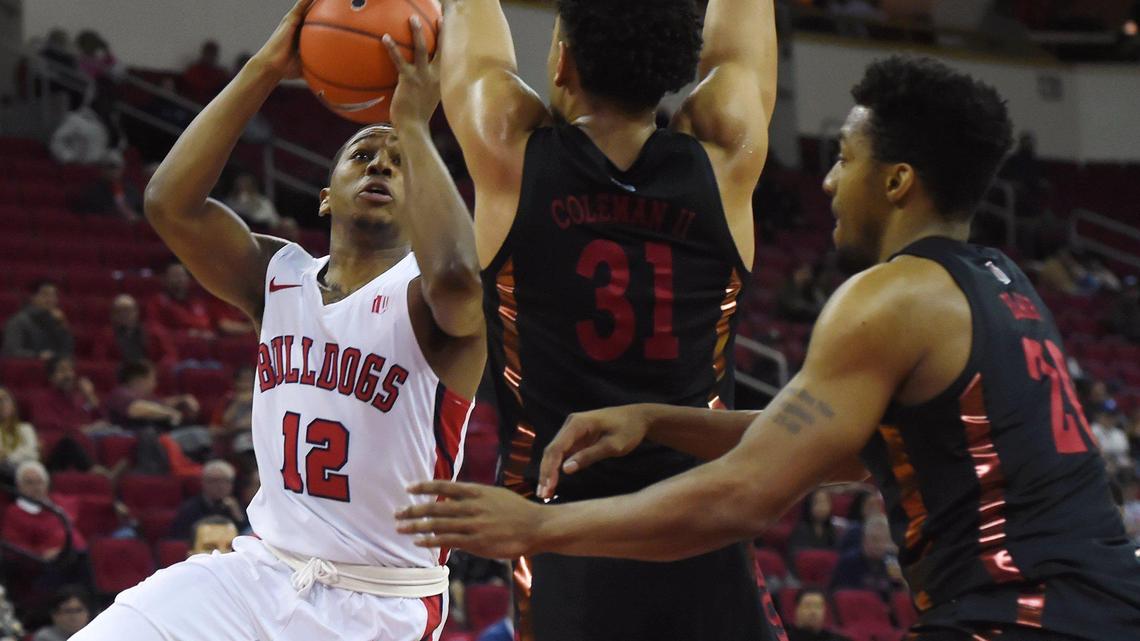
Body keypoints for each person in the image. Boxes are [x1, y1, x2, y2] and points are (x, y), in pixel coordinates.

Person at [398, 56, 1140, 640]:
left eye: (844, 158)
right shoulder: (1004, 282)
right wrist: (656, 418)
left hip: (1019, 618)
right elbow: (845, 449)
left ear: (898, 181)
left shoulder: (889, 298)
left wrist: (539, 526)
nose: (826, 179)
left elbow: (743, 496)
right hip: (1099, 603)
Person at [72, 3, 484, 641]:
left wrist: (413, 124)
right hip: (260, 572)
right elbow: (168, 203)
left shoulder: (434, 300)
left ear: (424, 196)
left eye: (398, 163)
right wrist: (265, 69)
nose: (379, 165)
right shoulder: (279, 276)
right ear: (325, 194)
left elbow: (457, 273)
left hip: (380, 602)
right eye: (362, 155)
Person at [439, 0, 780, 638]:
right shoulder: (727, 156)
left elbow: (471, 43)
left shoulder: (507, 149)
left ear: (562, 60)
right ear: (676, 70)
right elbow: (741, 49)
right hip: (700, 522)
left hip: (563, 533)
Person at [169, 459, 249, 541]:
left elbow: (248, 534)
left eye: (225, 481)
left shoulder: (241, 507)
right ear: (203, 482)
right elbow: (179, 537)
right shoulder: (189, 508)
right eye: (214, 481)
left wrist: (238, 516)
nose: (220, 486)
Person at [830, 515, 904, 600]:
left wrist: (902, 581)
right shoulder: (848, 562)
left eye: (884, 540)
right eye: (875, 539)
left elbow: (900, 599)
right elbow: (843, 596)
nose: (879, 545)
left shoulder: (892, 564)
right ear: (864, 540)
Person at [92, 294, 177, 368]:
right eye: (120, 311)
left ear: (136, 312)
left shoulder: (154, 331)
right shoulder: (105, 336)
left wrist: (155, 368)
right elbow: (100, 362)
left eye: (128, 310)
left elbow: (170, 356)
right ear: (113, 315)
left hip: (149, 374)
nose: (125, 314)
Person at [1, 281, 74, 360]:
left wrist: (62, 325)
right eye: (45, 295)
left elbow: (67, 351)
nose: (51, 299)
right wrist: (37, 356)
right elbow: (11, 352)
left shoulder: (56, 320)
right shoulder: (18, 322)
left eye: (54, 295)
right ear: (32, 297)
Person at [145, 263, 215, 338]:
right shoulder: (157, 302)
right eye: (175, 275)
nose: (179, 279)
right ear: (165, 279)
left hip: (200, 344)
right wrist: (185, 334)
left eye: (182, 275)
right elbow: (155, 329)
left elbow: (206, 323)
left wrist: (205, 332)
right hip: (175, 344)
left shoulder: (197, 302)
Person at [0, 386, 40, 481]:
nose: (2, 404)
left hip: (27, 469)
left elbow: (32, 454)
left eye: (5, 400)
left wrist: (8, 456)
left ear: (13, 405)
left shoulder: (26, 428)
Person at [180, 40, 229, 105]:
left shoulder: (220, 75)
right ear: (203, 53)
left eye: (212, 54)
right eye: (208, 53)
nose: (209, 56)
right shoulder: (193, 70)